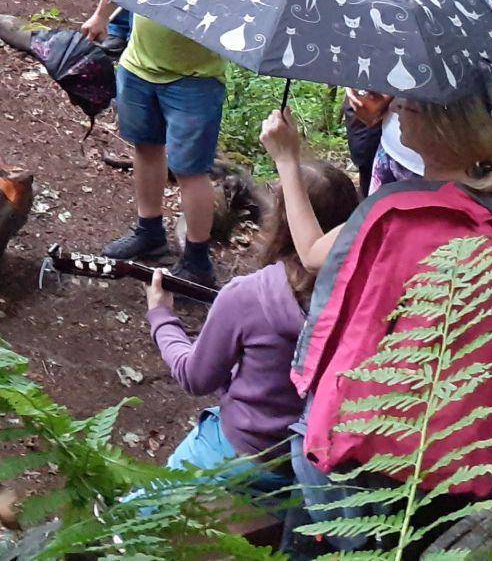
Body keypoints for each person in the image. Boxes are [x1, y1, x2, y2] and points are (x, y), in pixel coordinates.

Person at [262, 89, 492, 554]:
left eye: (407, 106)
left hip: (373, 447)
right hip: (459, 447)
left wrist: (287, 160)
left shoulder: (400, 213)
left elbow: (313, 255)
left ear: (435, 128)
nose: (396, 109)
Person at [144, 160, 358, 492]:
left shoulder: (248, 296)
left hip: (242, 453)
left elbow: (195, 377)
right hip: (308, 469)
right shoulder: (364, 300)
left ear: (281, 220)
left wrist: (161, 317)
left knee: (123, 524)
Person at [80, 0, 231, 290]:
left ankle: (198, 262)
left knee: (190, 169)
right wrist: (101, 15)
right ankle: (149, 232)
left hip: (194, 75)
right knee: (145, 147)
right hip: (139, 59)